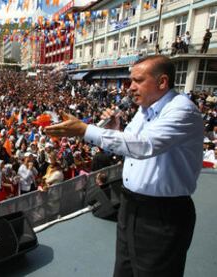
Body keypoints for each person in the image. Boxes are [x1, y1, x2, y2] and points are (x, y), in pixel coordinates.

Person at [45, 55, 203, 277]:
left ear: (162, 82)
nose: (130, 87)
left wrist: (85, 130)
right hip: (130, 205)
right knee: (124, 271)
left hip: (162, 214)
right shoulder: (144, 109)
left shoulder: (182, 110)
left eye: (138, 80)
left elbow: (144, 145)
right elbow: (132, 144)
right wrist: (116, 130)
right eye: (130, 81)